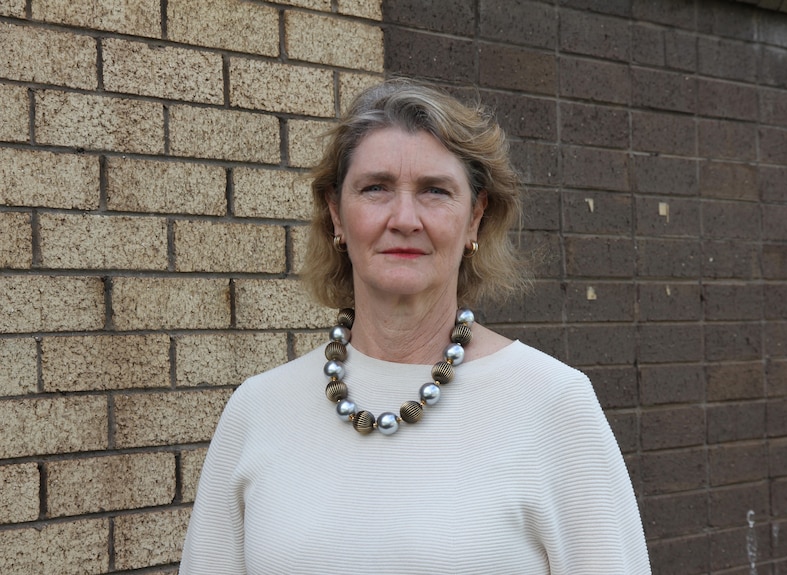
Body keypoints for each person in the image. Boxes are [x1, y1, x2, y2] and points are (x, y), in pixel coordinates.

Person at [179, 79, 651, 574]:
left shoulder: (554, 404)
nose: (404, 218)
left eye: (435, 191)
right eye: (376, 188)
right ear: (336, 214)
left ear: (475, 218)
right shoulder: (258, 409)